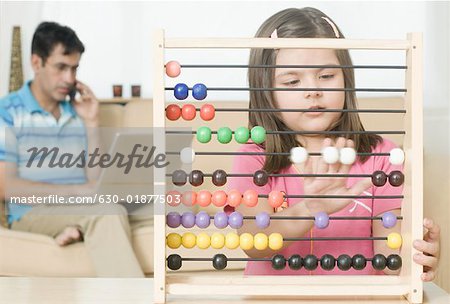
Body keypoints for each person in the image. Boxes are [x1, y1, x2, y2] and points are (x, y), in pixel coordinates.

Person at [230, 7, 440, 281]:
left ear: (347, 80)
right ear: (265, 91)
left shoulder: (384, 158)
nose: (313, 90)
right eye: (293, 81)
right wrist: (309, 209)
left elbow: (391, 260)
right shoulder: (255, 158)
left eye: (326, 76)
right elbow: (253, 241)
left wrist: (418, 257)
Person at [0, 21, 149, 277]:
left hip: (82, 203)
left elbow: (94, 180)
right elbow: (7, 187)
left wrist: (92, 123)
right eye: (61, 67)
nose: (69, 79)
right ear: (37, 63)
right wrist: (77, 192)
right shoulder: (9, 111)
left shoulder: (77, 112)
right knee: (106, 212)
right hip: (33, 211)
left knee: (163, 208)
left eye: (74, 68)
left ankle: (75, 228)